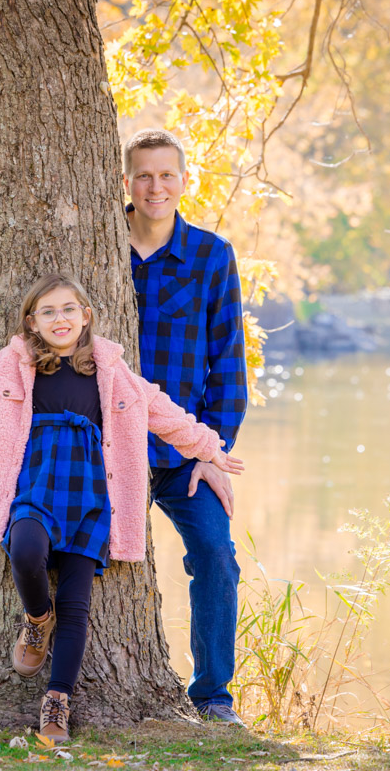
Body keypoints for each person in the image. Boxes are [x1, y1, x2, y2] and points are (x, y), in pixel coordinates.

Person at [0, 273, 243, 744]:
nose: (60, 319)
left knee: (77, 604)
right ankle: (37, 618)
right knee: (24, 550)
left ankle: (57, 699)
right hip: (34, 492)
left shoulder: (113, 373)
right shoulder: (10, 369)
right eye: (49, 312)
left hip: (91, 499)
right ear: (32, 322)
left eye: (69, 310)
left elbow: (165, 413)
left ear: (86, 316)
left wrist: (209, 447)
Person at [123, 129, 249, 725]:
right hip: (108, 450)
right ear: (126, 181)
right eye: (143, 175)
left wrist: (212, 451)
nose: (155, 187)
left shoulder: (211, 256)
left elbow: (227, 362)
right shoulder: (98, 248)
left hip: (181, 455)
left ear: (183, 181)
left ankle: (212, 697)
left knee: (217, 557)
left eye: (166, 175)